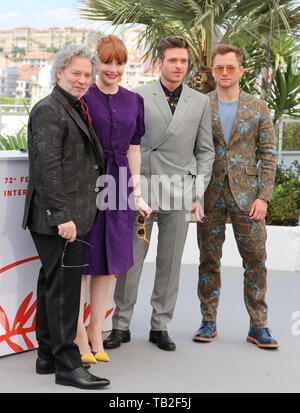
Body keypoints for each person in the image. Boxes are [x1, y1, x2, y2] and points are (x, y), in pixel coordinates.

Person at [104, 36, 215, 351]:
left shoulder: (200, 101)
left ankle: (160, 325)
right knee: (131, 261)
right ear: (160, 63)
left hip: (180, 192)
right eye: (172, 60)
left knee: (171, 263)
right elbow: (128, 144)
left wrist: (197, 190)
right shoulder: (138, 96)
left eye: (183, 61)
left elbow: (205, 151)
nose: (178, 66)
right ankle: (120, 325)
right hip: (142, 191)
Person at [22, 44, 111, 389]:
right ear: (59, 73)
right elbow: (46, 168)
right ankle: (68, 366)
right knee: (64, 291)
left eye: (87, 75)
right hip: (59, 218)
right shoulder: (50, 110)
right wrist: (62, 215)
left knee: (52, 284)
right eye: (76, 73)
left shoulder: (70, 106)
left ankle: (47, 356)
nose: (82, 80)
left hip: (65, 214)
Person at [193, 44, 279, 349]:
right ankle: (208, 321)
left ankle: (259, 326)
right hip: (210, 193)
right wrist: (195, 194)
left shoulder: (258, 108)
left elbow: (268, 154)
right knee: (208, 260)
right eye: (219, 68)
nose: (225, 73)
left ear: (240, 70)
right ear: (213, 71)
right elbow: (193, 151)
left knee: (256, 260)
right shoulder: (202, 105)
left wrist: (263, 197)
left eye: (231, 67)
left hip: (249, 197)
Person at [74, 35, 152, 364]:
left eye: (119, 63)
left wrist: (137, 192)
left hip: (118, 182)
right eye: (107, 62)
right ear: (96, 63)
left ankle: (96, 331)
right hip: (86, 179)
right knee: (81, 263)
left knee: (109, 264)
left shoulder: (134, 101)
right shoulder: (82, 97)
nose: (113, 69)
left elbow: (134, 148)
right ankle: (78, 334)